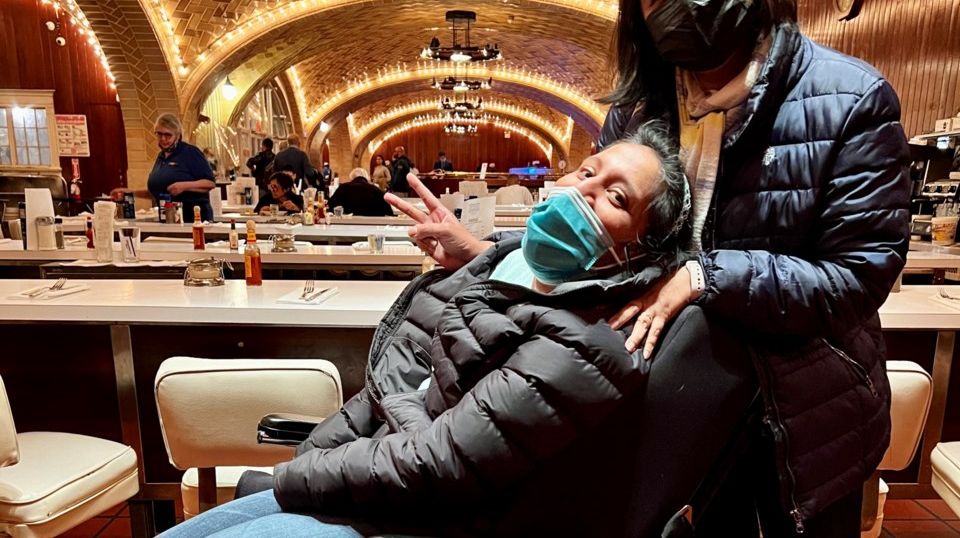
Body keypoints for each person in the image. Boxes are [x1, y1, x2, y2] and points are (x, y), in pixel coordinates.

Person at [158, 124, 751, 538]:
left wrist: (299, 475)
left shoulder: (591, 342)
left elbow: (439, 462)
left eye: (614, 197)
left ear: (638, 246)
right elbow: (414, 386)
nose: (581, 194)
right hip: (384, 481)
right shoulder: (510, 267)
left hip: (426, 517)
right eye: (586, 172)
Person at [590, 0, 910, 536]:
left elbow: (858, 277)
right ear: (644, 22)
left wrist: (709, 277)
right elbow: (600, 234)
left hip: (806, 420)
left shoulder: (851, 96)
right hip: (675, 409)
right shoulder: (635, 114)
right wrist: (501, 254)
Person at [113, 113, 216, 223]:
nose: (163, 139)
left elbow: (210, 183)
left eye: (168, 135)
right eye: (159, 134)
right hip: (167, 218)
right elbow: (157, 191)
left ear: (177, 135)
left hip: (192, 218)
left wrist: (185, 186)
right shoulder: (161, 157)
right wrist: (129, 193)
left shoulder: (190, 152)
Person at [326, 168, 392, 216]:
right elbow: (388, 212)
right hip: (372, 228)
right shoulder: (376, 190)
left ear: (351, 178)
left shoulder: (343, 188)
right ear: (367, 178)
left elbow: (331, 205)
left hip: (347, 227)